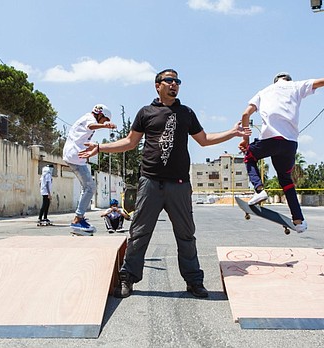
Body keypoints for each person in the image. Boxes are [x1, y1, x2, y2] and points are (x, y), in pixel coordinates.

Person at [79, 68, 251, 299]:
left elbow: (204, 140)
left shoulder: (186, 113)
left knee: (186, 234)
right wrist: (100, 147)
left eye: (177, 81)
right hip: (150, 182)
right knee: (139, 232)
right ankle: (127, 278)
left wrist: (232, 132)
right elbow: (130, 142)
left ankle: (193, 281)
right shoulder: (146, 112)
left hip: (179, 185)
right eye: (169, 80)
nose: (174, 84)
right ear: (157, 85)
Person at [239, 70, 324, 233]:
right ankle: (298, 221)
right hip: (289, 144)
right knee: (286, 181)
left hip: (269, 140)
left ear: (275, 81)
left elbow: (245, 114)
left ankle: (259, 190)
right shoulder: (297, 86)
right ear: (288, 80)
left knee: (250, 157)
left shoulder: (263, 92)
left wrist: (245, 140)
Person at [63, 104, 116, 236]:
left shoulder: (89, 118)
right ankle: (77, 219)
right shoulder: (89, 118)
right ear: (100, 115)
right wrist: (105, 126)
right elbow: (91, 126)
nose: (104, 123)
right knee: (90, 187)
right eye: (104, 120)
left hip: (76, 156)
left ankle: (79, 218)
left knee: (88, 187)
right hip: (75, 157)